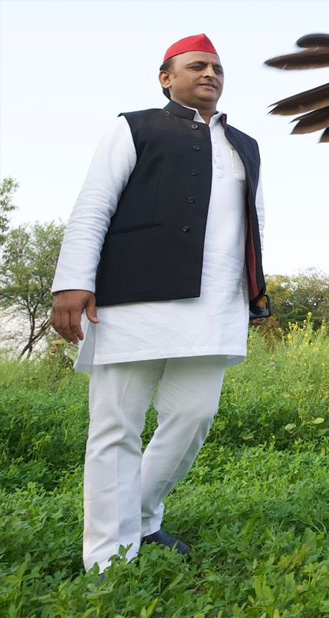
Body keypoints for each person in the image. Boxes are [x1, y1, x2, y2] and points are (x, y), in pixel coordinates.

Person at [50, 33, 270, 574]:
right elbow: (93, 202)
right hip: (132, 300)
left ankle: (144, 517)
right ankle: (107, 557)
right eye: (197, 66)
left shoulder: (246, 144)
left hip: (216, 303)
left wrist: (256, 291)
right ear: (166, 77)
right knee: (116, 426)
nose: (211, 74)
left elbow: (255, 225)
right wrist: (72, 281)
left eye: (218, 68)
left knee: (194, 415)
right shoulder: (134, 127)